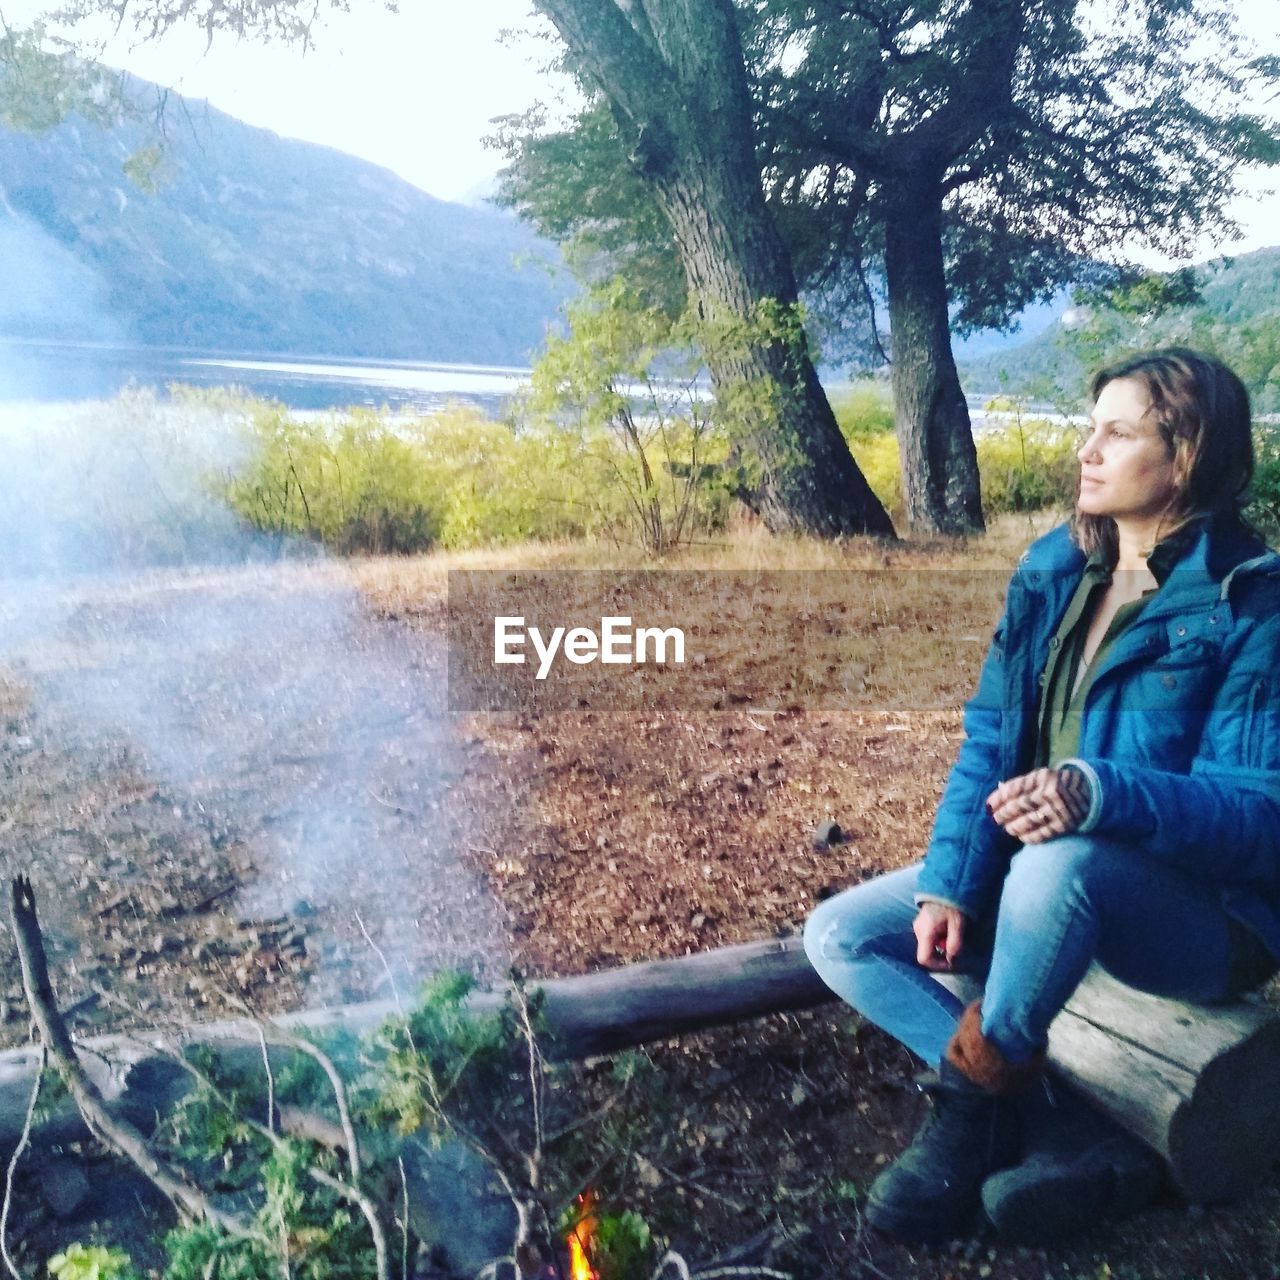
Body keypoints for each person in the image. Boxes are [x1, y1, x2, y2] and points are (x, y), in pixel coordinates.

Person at [803, 347, 1280, 1243]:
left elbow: (1260, 817)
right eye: (1088, 428)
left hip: (1208, 919)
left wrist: (1098, 792)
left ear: (1186, 458)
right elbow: (992, 742)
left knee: (1060, 863)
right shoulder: (1058, 569)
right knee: (843, 935)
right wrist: (950, 882)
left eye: (1118, 433)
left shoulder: (1252, 603)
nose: (1086, 452)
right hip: (1048, 882)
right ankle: (1057, 1126)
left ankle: (968, 1111)